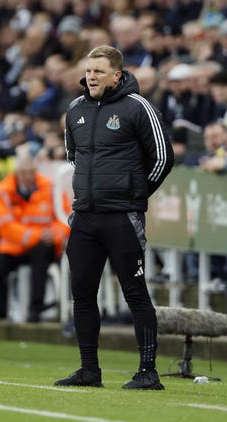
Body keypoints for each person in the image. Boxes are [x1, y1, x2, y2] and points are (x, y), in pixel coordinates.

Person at [54, 45, 174, 390]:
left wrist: (134, 196)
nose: (90, 76)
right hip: (86, 217)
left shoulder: (138, 107)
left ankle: (148, 372)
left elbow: (163, 158)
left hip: (123, 216)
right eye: (88, 70)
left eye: (98, 71)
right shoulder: (75, 109)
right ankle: (89, 370)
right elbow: (74, 158)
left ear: (116, 75)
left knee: (135, 292)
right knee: (82, 294)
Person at [0, 150, 71, 325]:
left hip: (42, 247)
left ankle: (35, 310)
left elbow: (66, 218)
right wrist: (38, 235)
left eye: (31, 172)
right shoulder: (3, 191)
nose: (28, 176)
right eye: (24, 172)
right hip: (13, 247)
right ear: (16, 172)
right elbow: (5, 228)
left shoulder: (51, 187)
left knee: (42, 252)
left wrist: (53, 234)